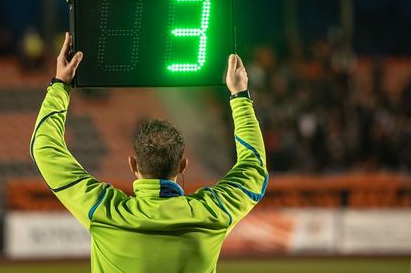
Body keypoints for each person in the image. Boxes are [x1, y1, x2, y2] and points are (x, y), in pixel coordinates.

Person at [31, 32, 268, 273]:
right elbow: (255, 169)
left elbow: (44, 148)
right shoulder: (211, 214)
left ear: (133, 165)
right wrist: (239, 95)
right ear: (182, 165)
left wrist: (60, 85)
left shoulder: (105, 212)